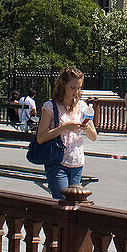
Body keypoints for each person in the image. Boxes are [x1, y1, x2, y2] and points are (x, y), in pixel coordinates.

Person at [32, 67, 97, 199]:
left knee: (74, 203)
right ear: (63, 86)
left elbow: (93, 136)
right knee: (62, 201)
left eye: (79, 88)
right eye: (72, 87)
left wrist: (85, 128)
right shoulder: (50, 107)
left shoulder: (83, 107)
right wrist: (64, 127)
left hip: (77, 162)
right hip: (57, 161)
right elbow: (40, 138)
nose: (76, 91)